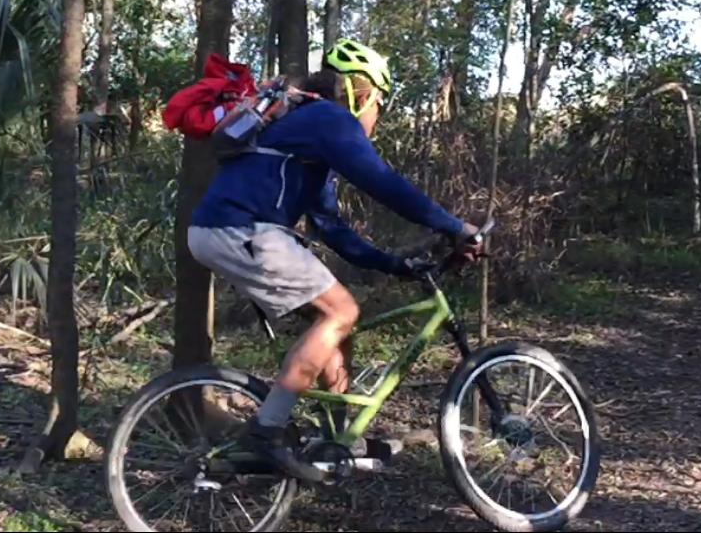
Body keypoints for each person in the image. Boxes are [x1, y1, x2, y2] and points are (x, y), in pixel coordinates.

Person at [187, 39, 482, 481]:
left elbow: (332, 227)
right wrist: (455, 227)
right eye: (379, 105)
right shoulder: (329, 117)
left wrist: (392, 264)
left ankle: (338, 439)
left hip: (226, 231)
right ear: (363, 94)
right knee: (342, 311)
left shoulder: (308, 131)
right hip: (243, 230)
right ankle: (266, 431)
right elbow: (383, 183)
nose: (376, 118)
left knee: (336, 319)